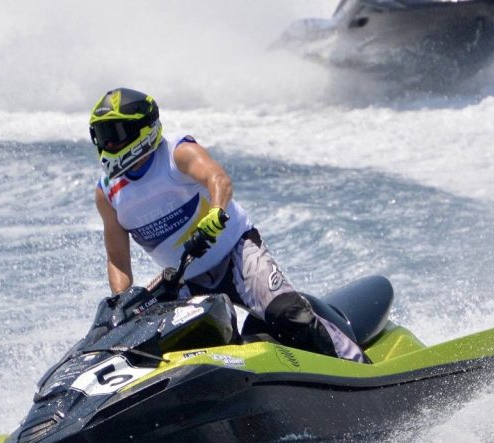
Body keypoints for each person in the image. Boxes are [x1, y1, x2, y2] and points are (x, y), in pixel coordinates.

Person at [89, 87, 364, 362]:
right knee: (188, 352)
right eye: (102, 136)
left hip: (237, 254)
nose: (108, 144)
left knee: (287, 314)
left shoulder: (177, 153)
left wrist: (216, 213)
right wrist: (122, 300)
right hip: (186, 280)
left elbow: (218, 179)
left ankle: (357, 365)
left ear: (142, 129)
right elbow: (118, 261)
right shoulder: (108, 194)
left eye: (115, 134)